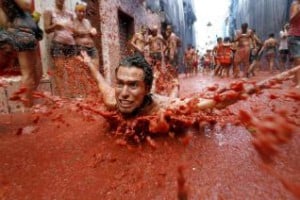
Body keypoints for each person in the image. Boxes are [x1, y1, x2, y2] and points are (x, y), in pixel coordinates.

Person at [78, 51, 220, 117]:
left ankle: (176, 84)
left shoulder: (161, 107)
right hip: (145, 93)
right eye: (120, 83)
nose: (124, 93)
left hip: (158, 100)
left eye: (132, 85)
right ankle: (153, 78)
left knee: (173, 98)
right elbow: (100, 80)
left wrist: (236, 95)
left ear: (144, 88)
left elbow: (208, 103)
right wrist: (89, 62)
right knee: (145, 90)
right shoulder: (112, 99)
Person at [0, 0, 42, 107]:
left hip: (26, 27)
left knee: (37, 71)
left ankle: (29, 102)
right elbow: (26, 5)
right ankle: (28, 109)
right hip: (22, 28)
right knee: (28, 74)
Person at [44, 0, 76, 96]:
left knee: (71, 71)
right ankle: (62, 97)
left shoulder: (70, 13)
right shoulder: (49, 11)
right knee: (60, 71)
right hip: (58, 44)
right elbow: (46, 29)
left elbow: (74, 29)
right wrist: (55, 26)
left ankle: (72, 96)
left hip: (71, 44)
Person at [288, 0, 300, 88]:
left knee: (298, 61)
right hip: (295, 35)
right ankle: (298, 82)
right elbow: (292, 19)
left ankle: (295, 79)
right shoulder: (295, 4)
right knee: (298, 60)